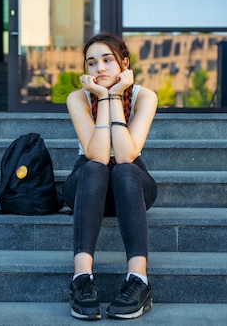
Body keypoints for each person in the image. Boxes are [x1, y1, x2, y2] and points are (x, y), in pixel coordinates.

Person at [61, 31, 158, 320]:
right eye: (91, 63)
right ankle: (82, 279)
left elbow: (127, 155)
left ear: (124, 64)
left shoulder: (145, 96)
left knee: (126, 169)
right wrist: (103, 98)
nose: (99, 68)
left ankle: (138, 281)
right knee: (94, 168)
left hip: (131, 186)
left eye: (107, 60)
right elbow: (99, 156)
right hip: (88, 185)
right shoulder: (78, 98)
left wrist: (114, 95)